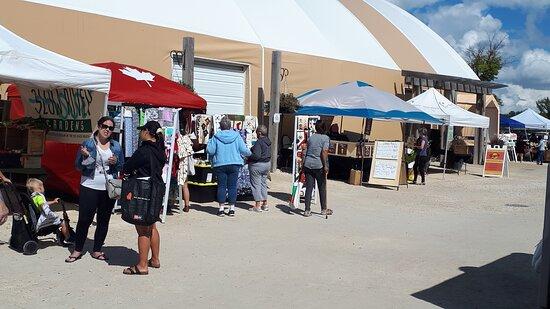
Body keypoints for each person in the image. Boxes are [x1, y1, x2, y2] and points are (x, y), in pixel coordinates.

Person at [66, 116, 123, 263]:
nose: (107, 130)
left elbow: (121, 166)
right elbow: (78, 166)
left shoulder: (116, 146)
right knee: (85, 219)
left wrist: (116, 162)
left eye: (110, 128)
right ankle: (77, 250)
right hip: (89, 186)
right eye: (104, 126)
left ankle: (97, 250)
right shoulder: (88, 143)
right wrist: (85, 157)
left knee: (104, 220)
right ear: (98, 126)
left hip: (108, 188)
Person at [122, 121, 167, 275]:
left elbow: (127, 167)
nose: (140, 133)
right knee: (152, 225)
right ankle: (154, 259)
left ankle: (142, 265)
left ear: (147, 132)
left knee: (143, 230)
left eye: (142, 130)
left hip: (143, 191)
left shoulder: (145, 150)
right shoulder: (160, 150)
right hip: (155, 190)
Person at [207, 117, 251, 217]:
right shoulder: (236, 136)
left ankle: (221, 208)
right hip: (234, 163)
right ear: (230, 126)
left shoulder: (216, 137)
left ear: (220, 126)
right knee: (232, 186)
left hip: (220, 164)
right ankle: (232, 209)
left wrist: (209, 142)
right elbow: (244, 150)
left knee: (221, 186)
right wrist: (250, 153)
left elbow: (210, 150)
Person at [26, 178, 73, 245]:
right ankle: (67, 239)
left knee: (57, 220)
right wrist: (52, 215)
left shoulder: (33, 197)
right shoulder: (39, 197)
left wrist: (53, 201)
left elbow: (43, 204)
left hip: (35, 220)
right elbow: (44, 207)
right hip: (42, 222)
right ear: (40, 188)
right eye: (43, 186)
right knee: (63, 223)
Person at [303, 120, 332, 217]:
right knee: (322, 187)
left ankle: (307, 210)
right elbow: (324, 152)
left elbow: (306, 150)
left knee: (309, 188)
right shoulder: (325, 138)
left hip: (308, 164)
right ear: (324, 128)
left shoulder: (311, 138)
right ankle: (324, 209)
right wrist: (326, 166)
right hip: (319, 165)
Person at [248, 125, 271, 212]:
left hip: (257, 165)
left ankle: (257, 205)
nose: (256, 134)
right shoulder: (268, 141)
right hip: (266, 164)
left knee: (256, 185)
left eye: (257, 132)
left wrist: (249, 157)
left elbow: (257, 155)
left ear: (259, 133)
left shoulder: (259, 142)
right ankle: (265, 204)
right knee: (263, 184)